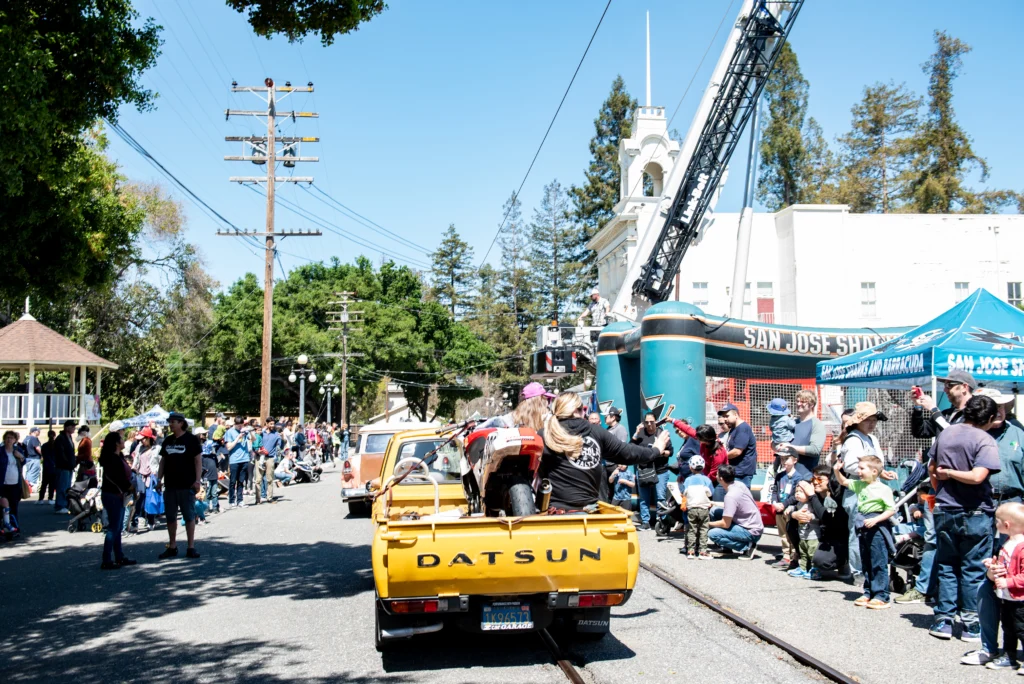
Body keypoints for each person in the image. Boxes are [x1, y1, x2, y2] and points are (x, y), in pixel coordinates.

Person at [927, 394, 1001, 641]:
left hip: (945, 509)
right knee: (973, 568)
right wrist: (951, 472)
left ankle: (943, 620)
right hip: (975, 511)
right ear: (989, 418)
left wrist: (940, 487)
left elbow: (931, 468)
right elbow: (978, 476)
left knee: (947, 564)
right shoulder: (985, 439)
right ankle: (971, 623)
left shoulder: (946, 434)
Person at [539, 391, 670, 513]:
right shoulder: (596, 432)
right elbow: (628, 453)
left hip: (555, 513)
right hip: (589, 510)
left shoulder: (544, 434)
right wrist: (656, 450)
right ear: (579, 410)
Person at [839, 401, 895, 578]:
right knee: (858, 531)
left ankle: (873, 568)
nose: (871, 424)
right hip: (857, 489)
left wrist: (881, 472)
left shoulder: (872, 439)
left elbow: (876, 464)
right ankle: (858, 571)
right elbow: (850, 466)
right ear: (858, 421)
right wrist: (870, 473)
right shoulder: (854, 439)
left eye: (874, 420)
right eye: (867, 420)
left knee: (874, 531)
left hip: (874, 490)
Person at [833, 454, 896, 608]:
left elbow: (891, 509)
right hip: (863, 526)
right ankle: (868, 591)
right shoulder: (860, 485)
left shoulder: (883, 488)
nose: (858, 471)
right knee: (866, 560)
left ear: (874, 471)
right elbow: (844, 481)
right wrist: (836, 471)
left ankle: (882, 595)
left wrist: (876, 519)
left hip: (876, 527)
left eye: (862, 469)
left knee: (878, 561)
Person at [156, 412, 202, 559]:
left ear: (181, 423)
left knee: (189, 516)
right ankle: (172, 546)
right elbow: (163, 461)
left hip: (186, 485)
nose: (170, 424)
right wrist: (159, 478)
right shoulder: (168, 440)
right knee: (170, 517)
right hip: (170, 485)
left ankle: (191, 547)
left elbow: (198, 461)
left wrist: (197, 480)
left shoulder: (191, 440)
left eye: (173, 422)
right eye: (169, 422)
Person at [97, 432, 137, 570]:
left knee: (118, 527)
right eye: (121, 439)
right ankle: (106, 559)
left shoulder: (117, 456)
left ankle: (119, 556)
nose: (123, 440)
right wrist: (129, 487)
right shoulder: (111, 459)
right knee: (114, 528)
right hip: (113, 494)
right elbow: (118, 477)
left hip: (118, 494)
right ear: (115, 443)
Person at [708, 464, 763, 558]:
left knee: (713, 534)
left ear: (721, 478)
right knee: (714, 511)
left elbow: (725, 524)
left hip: (750, 531)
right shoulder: (739, 485)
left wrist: (707, 523)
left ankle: (747, 547)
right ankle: (726, 548)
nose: (716, 476)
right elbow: (735, 505)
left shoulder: (730, 496)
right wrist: (714, 503)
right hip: (752, 524)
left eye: (717, 474)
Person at [631, 412, 673, 530]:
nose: (649, 424)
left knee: (660, 497)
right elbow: (630, 447)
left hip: (660, 470)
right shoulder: (641, 434)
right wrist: (636, 433)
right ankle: (645, 522)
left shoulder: (661, 433)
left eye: (651, 421)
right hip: (644, 469)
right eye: (646, 422)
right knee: (644, 498)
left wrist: (660, 452)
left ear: (656, 421)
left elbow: (671, 452)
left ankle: (663, 521)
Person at [771, 451, 811, 570]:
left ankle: (795, 556)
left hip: (789, 509)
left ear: (795, 460)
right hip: (779, 509)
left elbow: (795, 495)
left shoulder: (798, 477)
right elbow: (775, 490)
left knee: (791, 533)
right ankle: (785, 555)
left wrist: (784, 504)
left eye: (786, 458)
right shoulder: (779, 476)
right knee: (782, 534)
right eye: (782, 459)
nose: (783, 461)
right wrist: (775, 502)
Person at [912, 369, 976, 438]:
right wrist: (918, 407)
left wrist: (933, 409)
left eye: (949, 385)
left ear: (964, 387)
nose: (945, 390)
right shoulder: (947, 414)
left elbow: (954, 436)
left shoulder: (977, 413)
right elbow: (920, 432)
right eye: (945, 385)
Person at [782, 389, 826, 472]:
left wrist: (790, 447)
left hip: (805, 476)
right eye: (797, 401)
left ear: (811, 404)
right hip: (786, 475)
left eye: (802, 402)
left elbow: (815, 450)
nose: (798, 404)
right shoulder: (793, 422)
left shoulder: (817, 424)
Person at [789, 481, 822, 580]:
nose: (797, 493)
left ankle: (815, 570)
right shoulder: (799, 504)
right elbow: (793, 508)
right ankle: (803, 568)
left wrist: (810, 516)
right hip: (802, 534)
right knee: (803, 552)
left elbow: (819, 516)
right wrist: (790, 510)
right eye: (796, 491)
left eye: (801, 492)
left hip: (813, 535)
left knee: (812, 553)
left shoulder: (812, 504)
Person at [719, 403, 758, 490]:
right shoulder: (734, 428)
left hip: (742, 473)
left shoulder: (743, 428)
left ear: (735, 414)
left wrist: (721, 457)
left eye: (727, 416)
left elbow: (737, 451)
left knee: (740, 499)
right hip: (735, 471)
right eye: (723, 416)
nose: (725, 419)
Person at [682, 455, 714, 559]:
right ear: (703, 466)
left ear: (690, 467)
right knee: (703, 529)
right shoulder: (706, 480)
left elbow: (684, 493)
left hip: (691, 508)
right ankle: (702, 551)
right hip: (704, 508)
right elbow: (710, 493)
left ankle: (690, 551)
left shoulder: (687, 480)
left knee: (692, 529)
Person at [1, 431, 25, 534]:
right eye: (7, 438)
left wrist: (20, 456)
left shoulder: (17, 450)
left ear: (15, 440)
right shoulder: (1, 451)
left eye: (11, 438)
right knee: (3, 505)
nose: (9, 440)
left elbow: (23, 462)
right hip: (3, 483)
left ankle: (14, 527)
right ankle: (4, 525)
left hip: (15, 483)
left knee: (14, 506)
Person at [224, 416, 250, 508]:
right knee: (233, 481)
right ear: (235, 424)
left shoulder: (244, 431)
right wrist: (238, 438)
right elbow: (229, 447)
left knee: (241, 481)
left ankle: (240, 500)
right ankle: (231, 500)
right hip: (234, 460)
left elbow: (253, 439)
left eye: (241, 425)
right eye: (238, 425)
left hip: (245, 458)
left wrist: (249, 431)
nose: (239, 427)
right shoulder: (229, 432)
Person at [54, 420, 77, 514]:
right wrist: (67, 463)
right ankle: (60, 505)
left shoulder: (69, 437)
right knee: (62, 486)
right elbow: (61, 453)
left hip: (69, 466)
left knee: (67, 487)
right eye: (72, 427)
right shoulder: (61, 438)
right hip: (63, 466)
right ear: (67, 427)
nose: (74, 429)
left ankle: (65, 504)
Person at [198, 426, 220, 514]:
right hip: (207, 476)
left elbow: (217, 464)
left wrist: (218, 470)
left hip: (214, 475)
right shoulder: (203, 457)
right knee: (207, 493)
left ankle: (215, 507)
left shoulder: (214, 456)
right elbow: (201, 466)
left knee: (214, 492)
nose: (213, 449)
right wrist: (204, 471)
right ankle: (206, 508)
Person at [259, 420, 282, 504]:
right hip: (260, 457)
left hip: (270, 458)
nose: (272, 425)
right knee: (259, 478)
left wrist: (282, 438)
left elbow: (280, 445)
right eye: (271, 424)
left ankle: (270, 497)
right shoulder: (262, 433)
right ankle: (260, 496)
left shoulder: (276, 434)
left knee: (269, 478)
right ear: (267, 424)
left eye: (273, 424)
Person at [38, 430, 57, 505]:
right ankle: (50, 498)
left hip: (46, 465)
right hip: (54, 466)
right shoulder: (56, 445)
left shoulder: (44, 445)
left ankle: (41, 498)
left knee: (44, 483)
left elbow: (43, 455)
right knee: (52, 483)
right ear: (54, 436)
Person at [22, 426, 42, 492]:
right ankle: (29, 487)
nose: (39, 432)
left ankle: (26, 487)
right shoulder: (34, 438)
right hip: (34, 458)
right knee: (34, 472)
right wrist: (43, 454)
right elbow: (37, 448)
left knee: (28, 472)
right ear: (34, 432)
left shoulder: (26, 439)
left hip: (27, 458)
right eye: (38, 431)